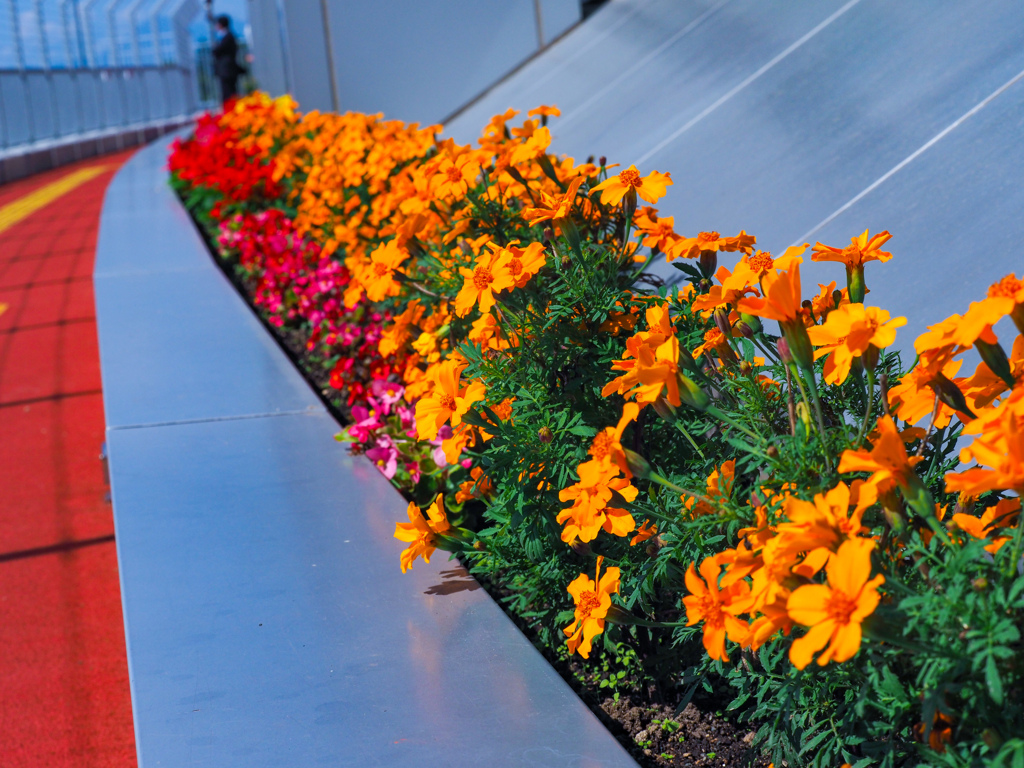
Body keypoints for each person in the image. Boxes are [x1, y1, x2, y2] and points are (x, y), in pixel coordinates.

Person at [211, 14, 242, 106]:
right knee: (229, 92)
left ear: (221, 25)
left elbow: (217, 51)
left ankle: (230, 112)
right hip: (227, 70)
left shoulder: (227, 37)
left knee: (228, 93)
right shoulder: (228, 36)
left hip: (227, 70)